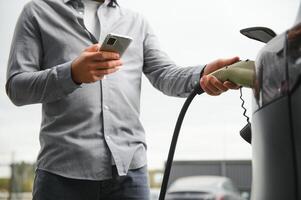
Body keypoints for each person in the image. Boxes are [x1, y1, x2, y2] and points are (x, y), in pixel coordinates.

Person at [5, 0, 239, 199]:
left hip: (130, 175)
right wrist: (72, 74)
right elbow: (17, 87)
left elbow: (165, 75)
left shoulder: (136, 21)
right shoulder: (38, 11)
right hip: (61, 178)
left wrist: (204, 72)